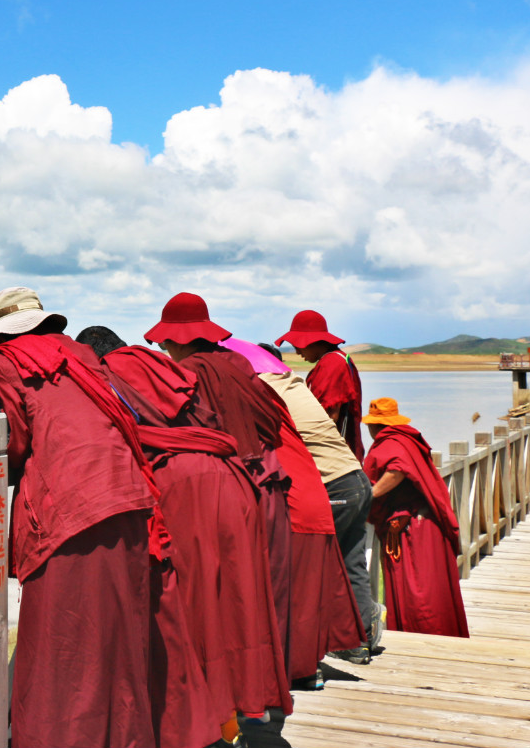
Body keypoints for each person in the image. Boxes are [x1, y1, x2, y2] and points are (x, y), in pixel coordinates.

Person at [78, 326, 291, 740]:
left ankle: (202, 724)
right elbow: (267, 422)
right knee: (233, 601)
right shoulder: (169, 366)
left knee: (189, 608)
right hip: (230, 478)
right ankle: (236, 716)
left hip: (183, 485)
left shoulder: (111, 373)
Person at [145, 294, 364, 692]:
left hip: (246, 489)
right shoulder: (240, 367)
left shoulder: (190, 373)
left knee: (237, 597)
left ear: (174, 340)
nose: (163, 350)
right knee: (280, 591)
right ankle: (275, 685)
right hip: (280, 483)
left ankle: (241, 692)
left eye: (164, 343)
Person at [0, 288, 163, 748]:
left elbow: (11, 446)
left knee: (60, 642)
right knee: (120, 637)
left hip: (69, 511)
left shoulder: (2, 365)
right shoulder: (80, 353)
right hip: (129, 496)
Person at [227, 339, 385, 662]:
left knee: (316, 567)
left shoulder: (264, 391)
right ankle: (360, 640)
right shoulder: (293, 383)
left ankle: (317, 649)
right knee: (352, 561)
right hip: (355, 478)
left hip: (332, 484)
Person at [362, 398, 469, 637]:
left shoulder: (392, 442)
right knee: (432, 588)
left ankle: (419, 637)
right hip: (428, 524)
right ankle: (444, 635)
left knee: (418, 592)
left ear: (376, 425)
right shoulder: (407, 439)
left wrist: (369, 496)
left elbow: (398, 469)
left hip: (413, 529)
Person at [277, 310, 365, 460]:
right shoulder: (333, 360)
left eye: (297, 345)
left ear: (311, 341)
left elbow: (330, 417)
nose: (297, 351)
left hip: (334, 456)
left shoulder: (332, 364)